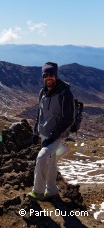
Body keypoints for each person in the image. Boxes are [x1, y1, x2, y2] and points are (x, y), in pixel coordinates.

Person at [28, 62, 75, 201]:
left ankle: (38, 192)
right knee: (51, 161)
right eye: (45, 75)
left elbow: (68, 120)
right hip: (44, 133)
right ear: (43, 77)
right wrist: (35, 133)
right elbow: (40, 113)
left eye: (51, 75)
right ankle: (52, 190)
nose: (48, 78)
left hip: (58, 135)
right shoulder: (42, 92)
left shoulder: (65, 93)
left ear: (55, 75)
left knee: (42, 157)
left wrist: (53, 136)